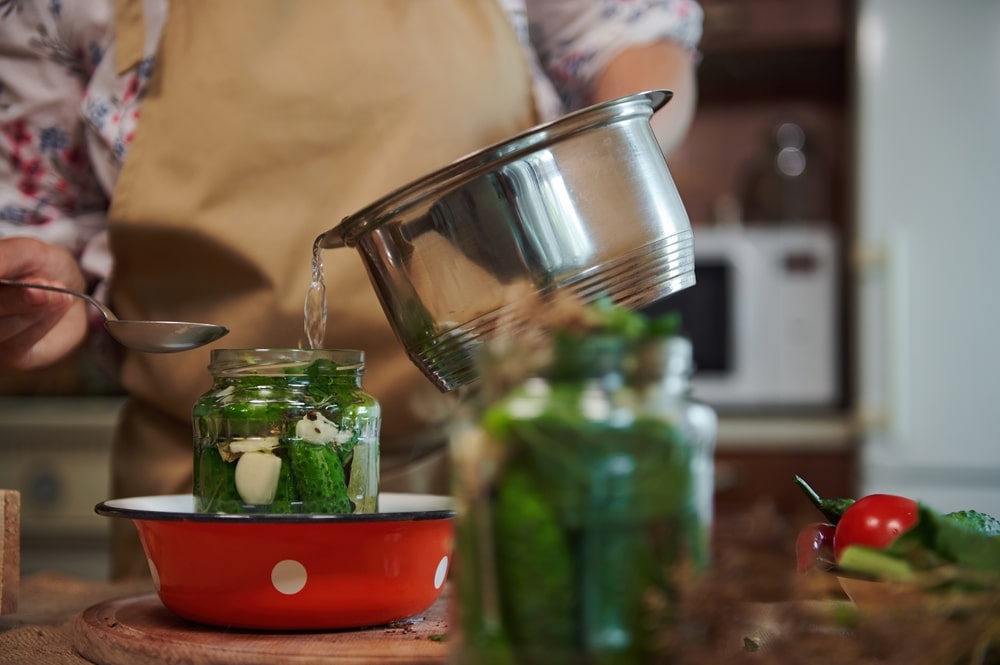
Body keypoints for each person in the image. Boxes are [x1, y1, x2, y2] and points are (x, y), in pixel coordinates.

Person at [0, 0, 703, 580]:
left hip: (500, 464)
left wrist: (601, 161)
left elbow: (635, 33)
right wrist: (50, 287)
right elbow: (48, 226)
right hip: (203, 506)